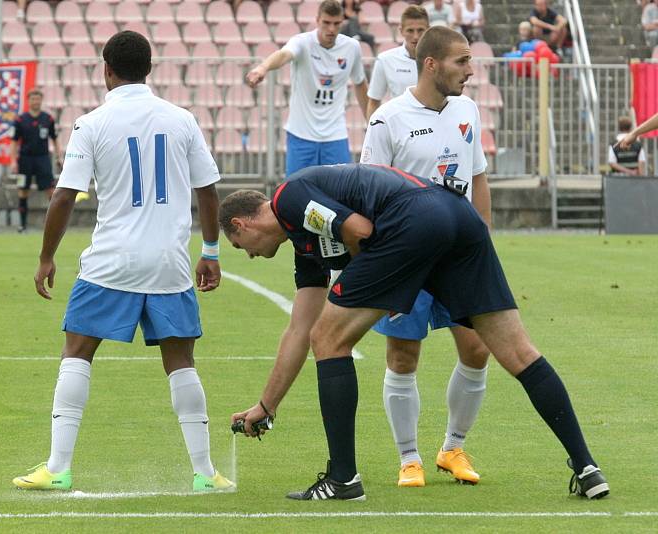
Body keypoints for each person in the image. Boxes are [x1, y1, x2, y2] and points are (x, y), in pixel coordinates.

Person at [220, 164, 609, 502]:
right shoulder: (307, 249)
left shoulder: (289, 197)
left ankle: (342, 479)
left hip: (415, 218)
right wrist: (267, 407)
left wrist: (387, 285)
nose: (250, 255)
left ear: (241, 224)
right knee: (518, 353)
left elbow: (360, 230)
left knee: (330, 339)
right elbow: (297, 330)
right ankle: (587, 467)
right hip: (459, 216)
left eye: (240, 246)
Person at [12, 31, 234, 494]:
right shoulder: (182, 120)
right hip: (169, 262)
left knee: (77, 353)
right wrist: (210, 252)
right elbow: (208, 191)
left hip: (110, 262)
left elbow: (64, 196)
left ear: (105, 69)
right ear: (149, 69)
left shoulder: (91, 123)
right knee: (181, 362)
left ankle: (57, 467)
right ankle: (205, 472)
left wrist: (46, 257)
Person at [360, 26, 490, 487]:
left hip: (460, 256)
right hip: (407, 258)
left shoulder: (467, 110)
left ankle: (452, 447)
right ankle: (408, 458)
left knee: (477, 350)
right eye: (461, 62)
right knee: (402, 356)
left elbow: (477, 176)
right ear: (431, 63)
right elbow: (367, 193)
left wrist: (484, 243)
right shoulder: (387, 119)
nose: (470, 71)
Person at [246, 0, 369, 175]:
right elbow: (283, 55)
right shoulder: (302, 42)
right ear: (317, 20)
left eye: (336, 23)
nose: (331, 29)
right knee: (296, 193)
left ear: (342, 22)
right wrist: (262, 68)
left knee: (341, 192)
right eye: (326, 23)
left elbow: (360, 83)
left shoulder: (352, 47)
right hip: (301, 135)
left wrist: (371, 120)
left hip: (335, 135)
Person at [9, 88, 61, 233]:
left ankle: (54, 225)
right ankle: (22, 226)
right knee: (23, 191)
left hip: (43, 158)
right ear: (28, 101)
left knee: (51, 192)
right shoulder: (20, 120)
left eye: (38, 99)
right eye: (33, 99)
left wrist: (59, 155)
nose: (35, 102)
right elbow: (13, 141)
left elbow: (55, 139)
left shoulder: (47, 119)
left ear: (41, 101)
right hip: (25, 160)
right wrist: (13, 161)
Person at [365, 5, 428, 118]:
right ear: (401, 30)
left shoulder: (441, 59)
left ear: (428, 30)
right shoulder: (385, 59)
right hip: (398, 131)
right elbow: (374, 102)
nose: (416, 36)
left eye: (420, 30)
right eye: (410, 30)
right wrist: (372, 132)